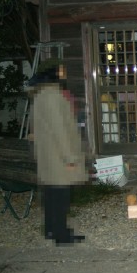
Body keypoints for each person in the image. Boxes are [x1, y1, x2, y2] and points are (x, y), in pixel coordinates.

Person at [30, 59, 86, 245]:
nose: (64, 73)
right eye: (61, 69)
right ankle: (61, 234)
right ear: (53, 72)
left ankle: (51, 229)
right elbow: (59, 128)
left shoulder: (41, 94)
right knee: (61, 194)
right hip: (58, 154)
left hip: (49, 152)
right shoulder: (52, 96)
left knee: (52, 193)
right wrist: (69, 157)